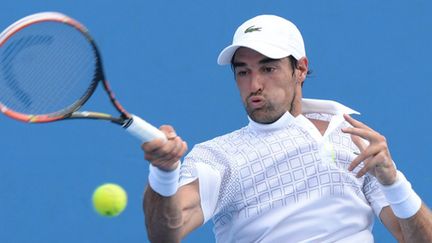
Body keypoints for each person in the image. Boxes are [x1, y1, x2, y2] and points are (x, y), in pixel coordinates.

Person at [141, 14, 432, 242]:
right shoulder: (219, 157)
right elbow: (165, 234)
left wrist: (393, 183)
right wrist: (164, 173)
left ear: (301, 69)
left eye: (268, 69)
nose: (254, 85)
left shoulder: (353, 139)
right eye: (243, 72)